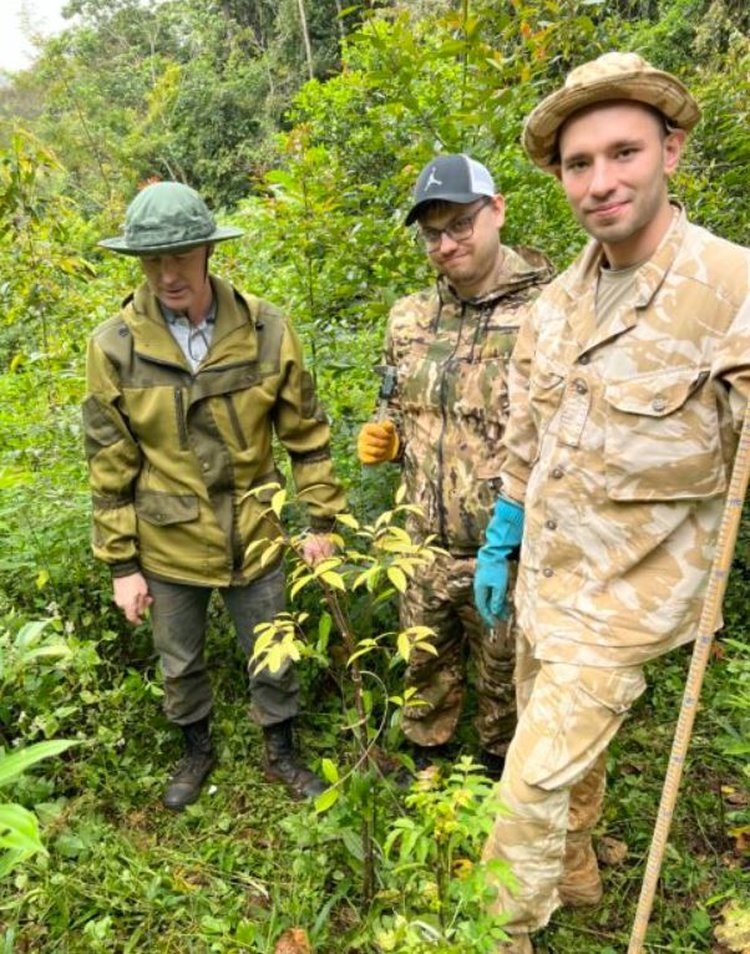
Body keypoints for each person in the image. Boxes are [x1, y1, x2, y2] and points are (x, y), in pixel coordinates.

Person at [474, 53, 750, 952]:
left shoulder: (732, 289)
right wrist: (502, 528)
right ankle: (579, 872)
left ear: (670, 150)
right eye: (579, 164)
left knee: (529, 781)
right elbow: (527, 430)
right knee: (550, 744)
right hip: (548, 580)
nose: (601, 183)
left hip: (632, 593)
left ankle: (498, 933)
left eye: (623, 153)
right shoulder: (554, 305)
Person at [84, 181, 346, 810]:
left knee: (274, 650)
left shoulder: (265, 328)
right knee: (179, 660)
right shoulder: (115, 347)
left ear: (207, 251)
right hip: (167, 537)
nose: (168, 274)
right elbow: (109, 461)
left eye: (180, 256)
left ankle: (281, 750)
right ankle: (195, 748)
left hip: (258, 530)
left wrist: (323, 522)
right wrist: (123, 564)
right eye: (153, 260)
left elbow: (305, 437)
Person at [357, 154, 554, 777]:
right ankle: (429, 774)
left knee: (509, 681)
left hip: (511, 549)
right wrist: (385, 436)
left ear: (496, 210)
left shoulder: (549, 313)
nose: (446, 245)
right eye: (432, 234)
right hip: (424, 546)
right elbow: (391, 403)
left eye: (461, 225)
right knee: (424, 669)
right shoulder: (410, 318)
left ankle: (501, 782)